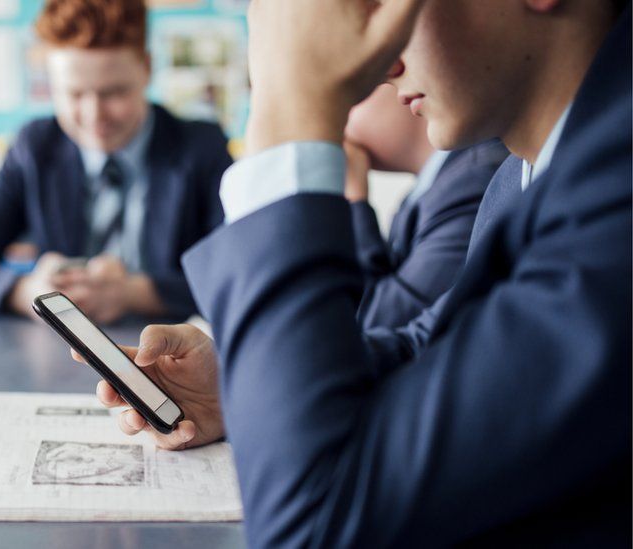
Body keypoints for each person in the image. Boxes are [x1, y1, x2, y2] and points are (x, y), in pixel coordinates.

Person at [81, 0, 632, 545]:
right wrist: (241, 384)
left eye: (394, 7)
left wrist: (292, 107)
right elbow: (430, 349)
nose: (386, 65)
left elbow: (315, 527)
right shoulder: (524, 176)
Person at [0, 0, 232, 324]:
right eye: (74, 94)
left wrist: (134, 292)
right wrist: (30, 294)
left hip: (172, 357)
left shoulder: (201, 148)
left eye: (114, 93)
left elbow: (237, 276)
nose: (95, 116)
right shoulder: (36, 147)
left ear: (147, 68)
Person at [344, 83, 507, 329]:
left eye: (345, 100)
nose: (336, 130)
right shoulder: (420, 198)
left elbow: (375, 324)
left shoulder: (475, 180)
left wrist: (352, 201)